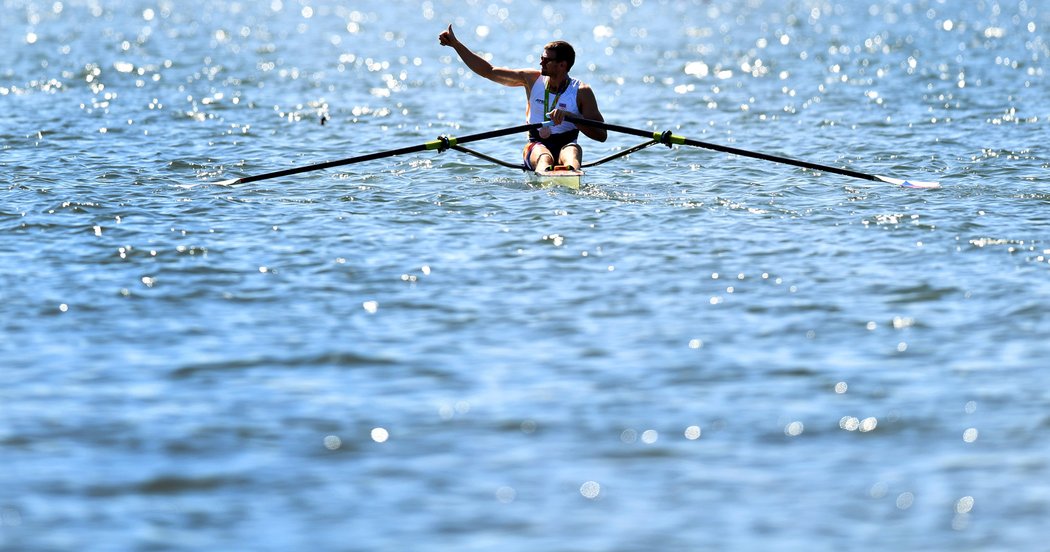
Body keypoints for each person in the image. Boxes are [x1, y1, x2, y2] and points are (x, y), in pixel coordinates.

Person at [438, 24, 606, 173]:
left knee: (572, 153)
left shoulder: (582, 91)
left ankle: (571, 172)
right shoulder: (531, 80)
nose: (541, 63)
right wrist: (456, 45)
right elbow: (488, 71)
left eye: (546, 60)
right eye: (541, 58)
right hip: (536, 146)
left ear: (562, 65)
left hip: (567, 144)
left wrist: (573, 118)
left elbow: (601, 135)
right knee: (544, 157)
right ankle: (546, 175)